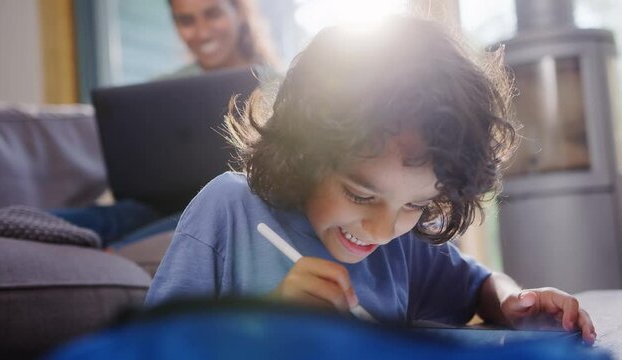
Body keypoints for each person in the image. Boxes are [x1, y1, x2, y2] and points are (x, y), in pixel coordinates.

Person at [145, 16, 596, 343]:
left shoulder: (398, 243)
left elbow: (477, 285)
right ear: (304, 153)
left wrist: (516, 302)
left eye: (416, 205)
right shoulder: (229, 211)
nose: (382, 229)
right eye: (360, 194)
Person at [52, 0, 280, 248]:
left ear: (239, 12)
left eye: (212, 14)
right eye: (186, 21)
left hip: (225, 204)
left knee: (176, 222)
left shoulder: (277, 86)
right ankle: (10, 221)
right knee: (107, 216)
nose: (202, 32)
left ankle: (112, 254)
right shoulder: (162, 90)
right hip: (155, 204)